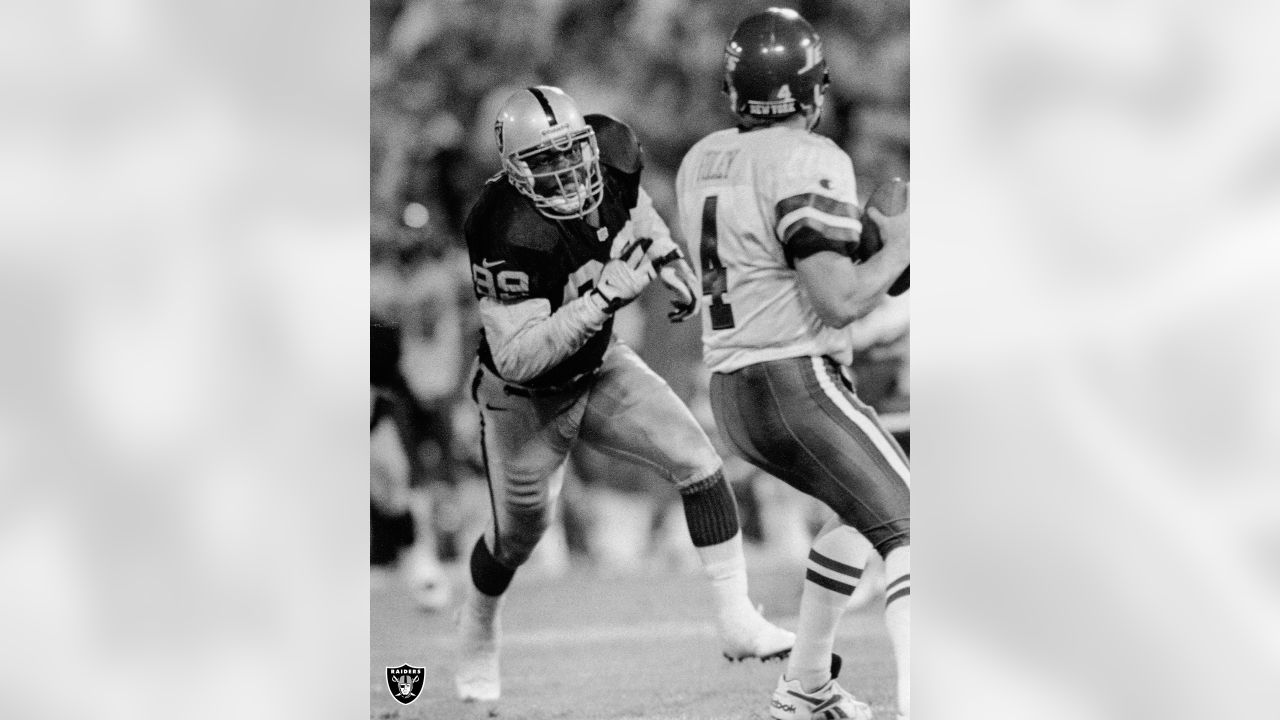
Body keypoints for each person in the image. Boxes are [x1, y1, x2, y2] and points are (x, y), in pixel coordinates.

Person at [453, 85, 795, 702]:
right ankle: (477, 623)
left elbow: (633, 210)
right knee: (518, 538)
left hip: (599, 364)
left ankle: (737, 619)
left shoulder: (611, 156)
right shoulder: (504, 228)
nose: (568, 172)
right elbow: (518, 355)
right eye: (546, 162)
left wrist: (664, 254)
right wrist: (603, 299)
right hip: (523, 398)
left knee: (697, 460)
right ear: (513, 172)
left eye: (572, 153)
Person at [675, 9, 911, 720]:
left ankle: (806, 683)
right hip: (794, 381)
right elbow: (840, 300)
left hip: (734, 392)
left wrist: (874, 247)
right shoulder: (812, 159)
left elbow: (773, 259)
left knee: (861, 513)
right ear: (812, 89)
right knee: (913, 528)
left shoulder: (700, 160)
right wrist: (902, 245)